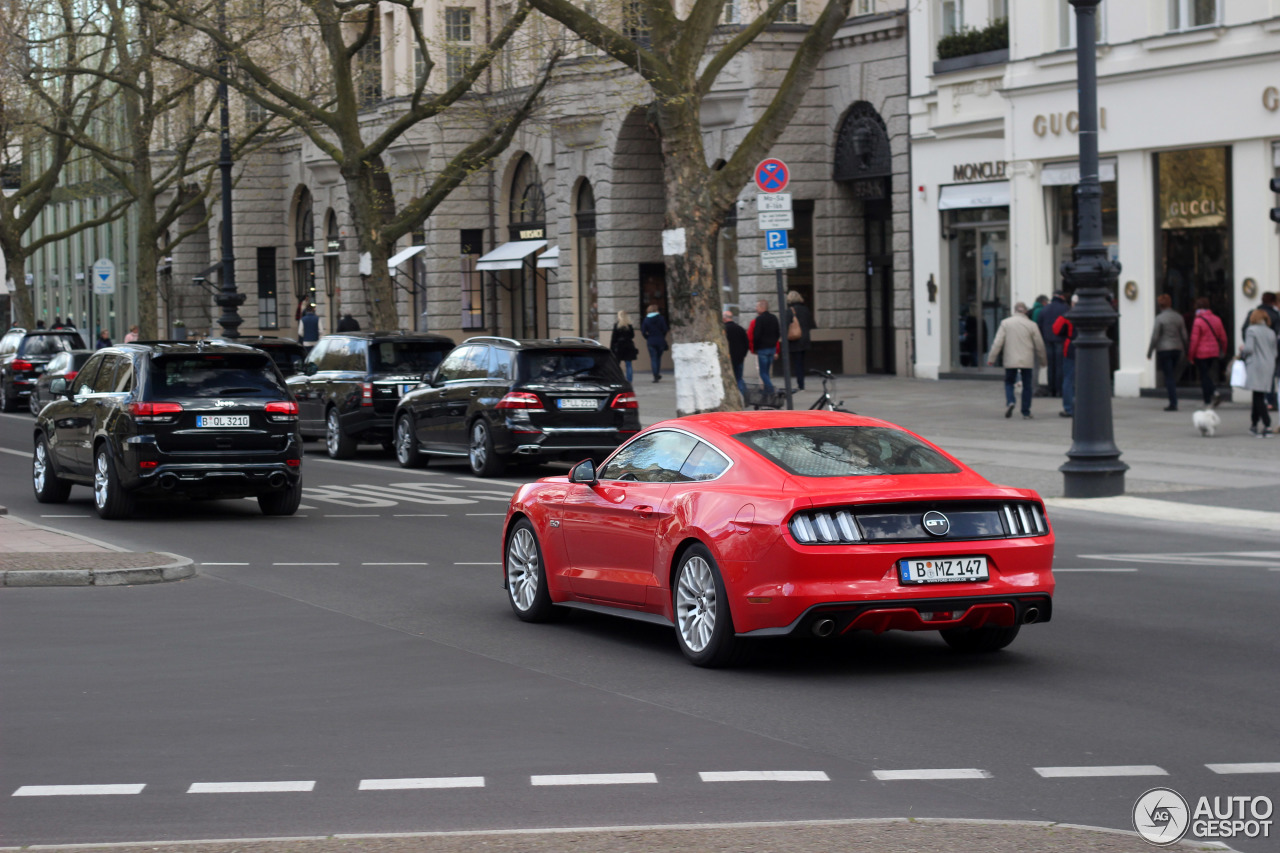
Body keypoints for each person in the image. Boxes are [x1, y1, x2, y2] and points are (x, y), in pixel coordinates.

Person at [988, 302, 1047, 420]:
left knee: (1009, 382)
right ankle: (1026, 411)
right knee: (1027, 385)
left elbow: (998, 342)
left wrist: (992, 358)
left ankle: (1011, 401)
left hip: (1010, 359)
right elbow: (1039, 345)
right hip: (1027, 360)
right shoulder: (1031, 324)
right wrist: (1043, 361)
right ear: (1025, 311)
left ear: (1014, 310)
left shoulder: (1005, 323)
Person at [1147, 293, 1189, 412]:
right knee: (1173, 375)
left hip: (1164, 350)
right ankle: (1173, 397)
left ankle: (1173, 402)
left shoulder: (1159, 318)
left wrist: (1150, 352)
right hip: (1177, 349)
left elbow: (1155, 336)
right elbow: (1184, 336)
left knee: (1169, 376)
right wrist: (1187, 349)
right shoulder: (1178, 317)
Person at [1239, 308, 1277, 437]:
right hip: (1269, 365)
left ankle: (1267, 424)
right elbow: (1275, 352)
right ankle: (1254, 424)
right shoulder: (1271, 332)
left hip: (1256, 365)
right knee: (1258, 394)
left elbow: (1249, 348)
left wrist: (1242, 350)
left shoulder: (1251, 330)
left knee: (1258, 397)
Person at [1241, 292, 1280, 410]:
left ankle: (1264, 418)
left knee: (1257, 392)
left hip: (1255, 358)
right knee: (1270, 381)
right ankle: (1271, 401)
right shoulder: (1274, 316)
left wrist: (1245, 351)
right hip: (1270, 356)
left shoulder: (1252, 317)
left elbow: (1245, 335)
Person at [1188, 296, 1227, 406]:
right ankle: (1209, 397)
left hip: (1201, 353)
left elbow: (1194, 340)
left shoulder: (1198, 321)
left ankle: (1211, 395)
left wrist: (1190, 355)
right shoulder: (1217, 319)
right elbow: (1223, 337)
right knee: (1206, 374)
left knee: (1204, 375)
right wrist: (1223, 350)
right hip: (1213, 352)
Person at [1051, 295, 1078, 418]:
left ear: (1072, 303)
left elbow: (1056, 329)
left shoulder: (1067, 315)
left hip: (1071, 348)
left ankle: (1069, 408)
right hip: (1089, 350)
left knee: (1068, 379)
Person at [747, 299, 781, 395]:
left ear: (762, 307)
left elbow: (756, 335)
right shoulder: (774, 318)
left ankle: (771, 389)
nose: (756, 308)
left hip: (763, 348)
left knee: (763, 372)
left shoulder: (759, 319)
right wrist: (774, 344)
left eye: (757, 306)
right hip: (772, 348)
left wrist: (755, 348)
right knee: (767, 371)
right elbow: (777, 333)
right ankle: (767, 390)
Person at [1038, 292, 1069, 397]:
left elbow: (1040, 325)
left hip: (1048, 340)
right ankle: (1059, 390)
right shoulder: (1065, 308)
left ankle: (1051, 390)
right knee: (1060, 366)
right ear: (1062, 297)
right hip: (1060, 340)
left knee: (1050, 366)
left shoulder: (1045, 309)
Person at [784, 290, 815, 391]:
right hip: (805, 339)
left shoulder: (790, 311)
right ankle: (801, 383)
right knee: (801, 362)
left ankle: (800, 383)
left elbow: (785, 326)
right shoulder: (806, 310)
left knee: (796, 363)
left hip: (794, 340)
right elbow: (812, 325)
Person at [723, 309, 749, 395]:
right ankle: (744, 396)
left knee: (729, 379)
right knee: (739, 378)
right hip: (739, 358)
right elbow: (746, 343)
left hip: (728, 358)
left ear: (724, 318)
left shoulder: (724, 330)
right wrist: (743, 355)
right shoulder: (740, 328)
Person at [640, 304, 668, 382]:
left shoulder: (646, 319)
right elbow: (665, 329)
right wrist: (662, 336)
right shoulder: (661, 318)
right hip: (660, 340)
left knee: (653, 359)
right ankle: (657, 373)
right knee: (658, 358)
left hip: (651, 341)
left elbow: (643, 331)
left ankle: (655, 375)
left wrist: (647, 337)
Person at [609, 310, 639, 383]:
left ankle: (617, 378)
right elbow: (632, 336)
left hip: (619, 347)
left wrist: (611, 348)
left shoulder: (617, 325)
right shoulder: (629, 326)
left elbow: (614, 338)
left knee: (617, 364)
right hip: (628, 346)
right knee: (628, 364)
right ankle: (629, 380)